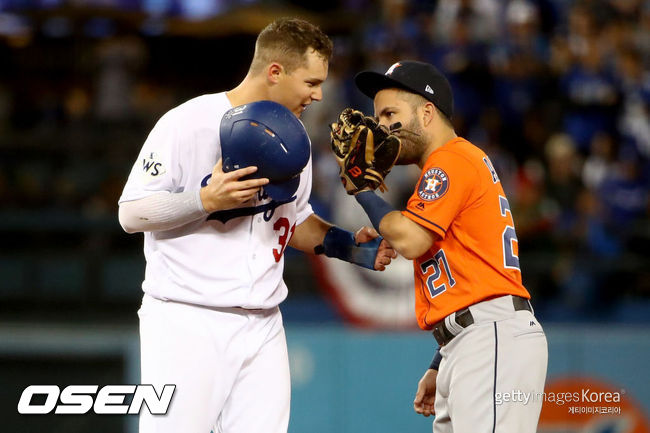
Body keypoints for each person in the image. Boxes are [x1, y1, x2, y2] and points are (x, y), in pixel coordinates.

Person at [117, 18, 396, 433]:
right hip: (187, 320)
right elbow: (131, 213)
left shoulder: (293, 137)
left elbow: (292, 220)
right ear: (275, 72)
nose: (319, 94)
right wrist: (204, 199)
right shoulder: (189, 121)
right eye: (311, 82)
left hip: (264, 323)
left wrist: (348, 246)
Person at [342, 60, 548, 432]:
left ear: (426, 112)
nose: (381, 127)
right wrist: (442, 359)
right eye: (378, 116)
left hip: (491, 338)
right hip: (471, 340)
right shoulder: (450, 165)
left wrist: (363, 189)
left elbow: (410, 239)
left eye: (391, 113)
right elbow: (464, 267)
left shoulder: (450, 160)